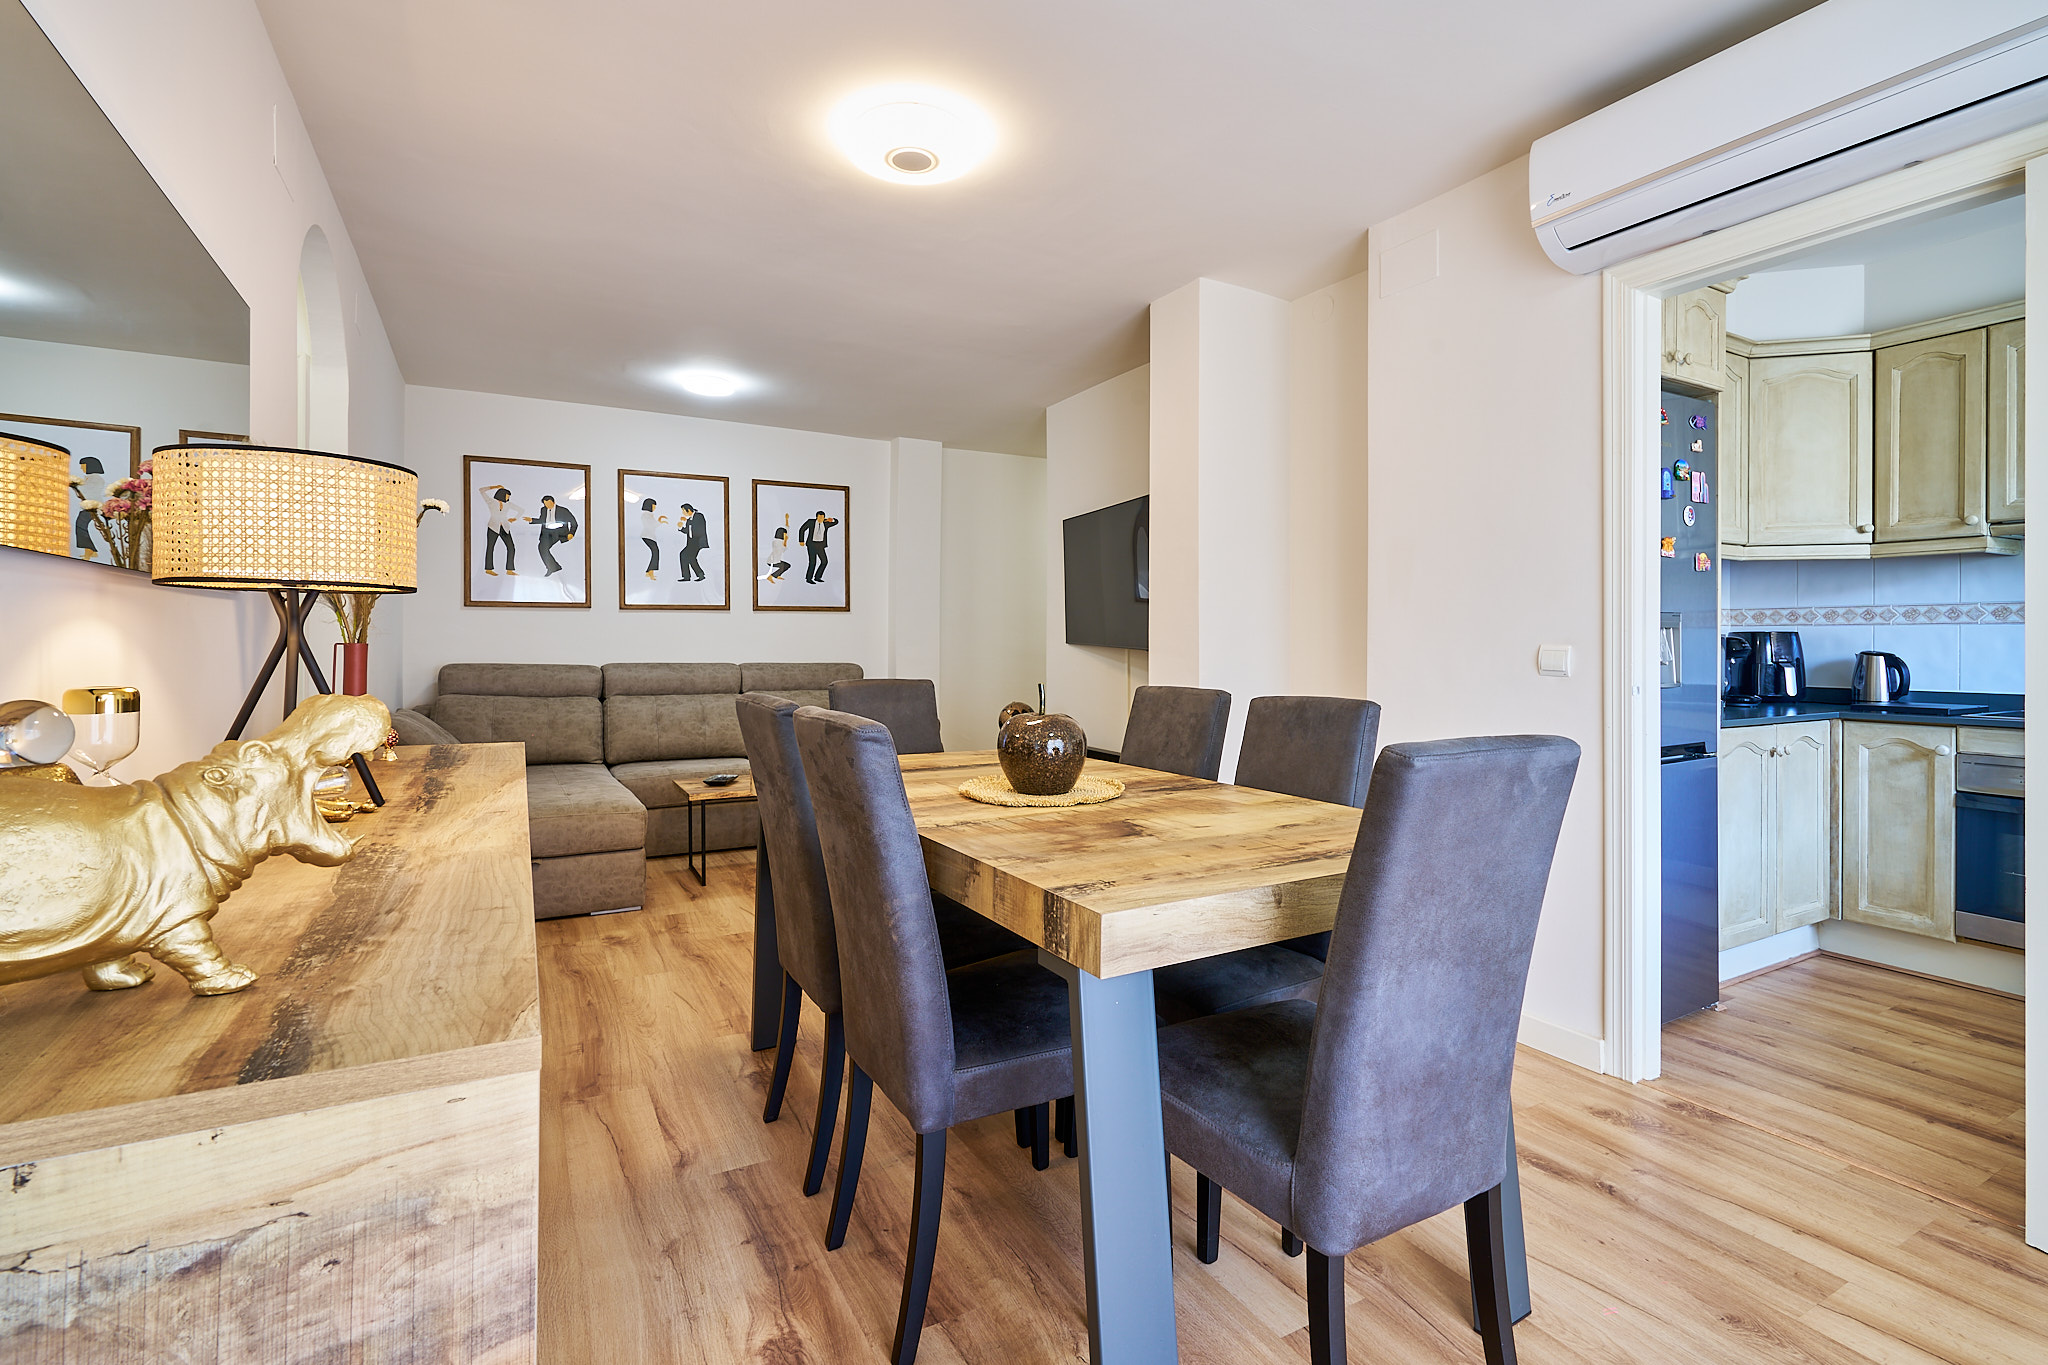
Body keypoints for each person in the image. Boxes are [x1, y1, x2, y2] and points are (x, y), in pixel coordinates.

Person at [527, 495, 578, 577]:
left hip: (559, 532)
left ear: (553, 502)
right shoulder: (543, 510)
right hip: (546, 532)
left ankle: (553, 567)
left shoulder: (563, 510)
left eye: (549, 503)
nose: (547, 506)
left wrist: (571, 533)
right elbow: (542, 520)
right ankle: (553, 567)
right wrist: (532, 520)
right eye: (545, 504)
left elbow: (574, 522)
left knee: (544, 548)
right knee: (541, 548)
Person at [478, 484, 524, 575]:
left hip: (504, 528)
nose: (508, 498)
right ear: (502, 494)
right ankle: (488, 569)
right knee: (490, 547)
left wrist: (515, 518)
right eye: (507, 496)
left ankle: (509, 570)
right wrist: (495, 487)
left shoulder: (508, 504)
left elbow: (521, 510)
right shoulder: (491, 501)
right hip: (493, 527)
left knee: (511, 547)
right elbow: (481, 490)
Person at [71, 456, 107, 560]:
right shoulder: (90, 478)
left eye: (83, 466)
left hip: (92, 506)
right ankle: (90, 550)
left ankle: (89, 550)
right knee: (81, 526)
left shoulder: (96, 479)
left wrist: (76, 485)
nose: (81, 468)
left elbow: (87, 491)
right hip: (88, 506)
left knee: (81, 526)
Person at [797, 507, 839, 584]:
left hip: (820, 545)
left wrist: (832, 519)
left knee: (824, 561)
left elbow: (836, 522)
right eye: (819, 517)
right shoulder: (811, 522)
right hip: (811, 545)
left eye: (822, 518)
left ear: (824, 518)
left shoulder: (826, 523)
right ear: (816, 517)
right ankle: (809, 578)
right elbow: (802, 529)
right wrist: (801, 540)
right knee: (813, 562)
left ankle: (817, 577)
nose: (820, 519)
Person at [678, 501, 709, 582]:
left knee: (688, 556)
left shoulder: (699, 516)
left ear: (688, 510)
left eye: (683, 511)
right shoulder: (689, 520)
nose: (683, 513)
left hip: (698, 541)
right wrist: (681, 528)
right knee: (687, 556)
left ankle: (691, 576)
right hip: (691, 543)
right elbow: (688, 531)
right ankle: (694, 576)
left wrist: (687, 521)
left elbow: (698, 528)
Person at [638, 498, 667, 579]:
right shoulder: (645, 515)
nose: (654, 508)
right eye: (653, 506)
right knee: (655, 552)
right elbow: (651, 526)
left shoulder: (649, 515)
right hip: (647, 536)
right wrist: (659, 521)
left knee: (655, 552)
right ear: (649, 506)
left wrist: (660, 520)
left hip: (650, 536)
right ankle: (650, 572)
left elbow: (654, 525)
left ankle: (649, 572)